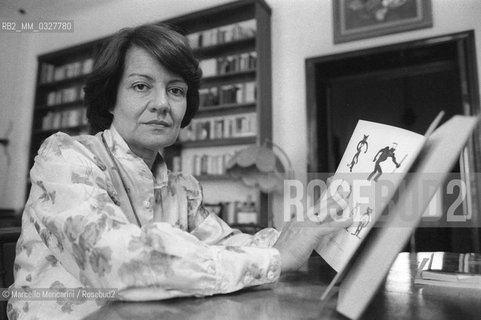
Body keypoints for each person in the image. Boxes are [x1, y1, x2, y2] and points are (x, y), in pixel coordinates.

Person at [7, 24, 351, 319]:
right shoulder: (65, 157)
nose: (162, 103)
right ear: (110, 100)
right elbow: (117, 261)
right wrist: (278, 258)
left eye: (176, 90)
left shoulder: (182, 190)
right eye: (141, 86)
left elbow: (232, 245)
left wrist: (310, 227)